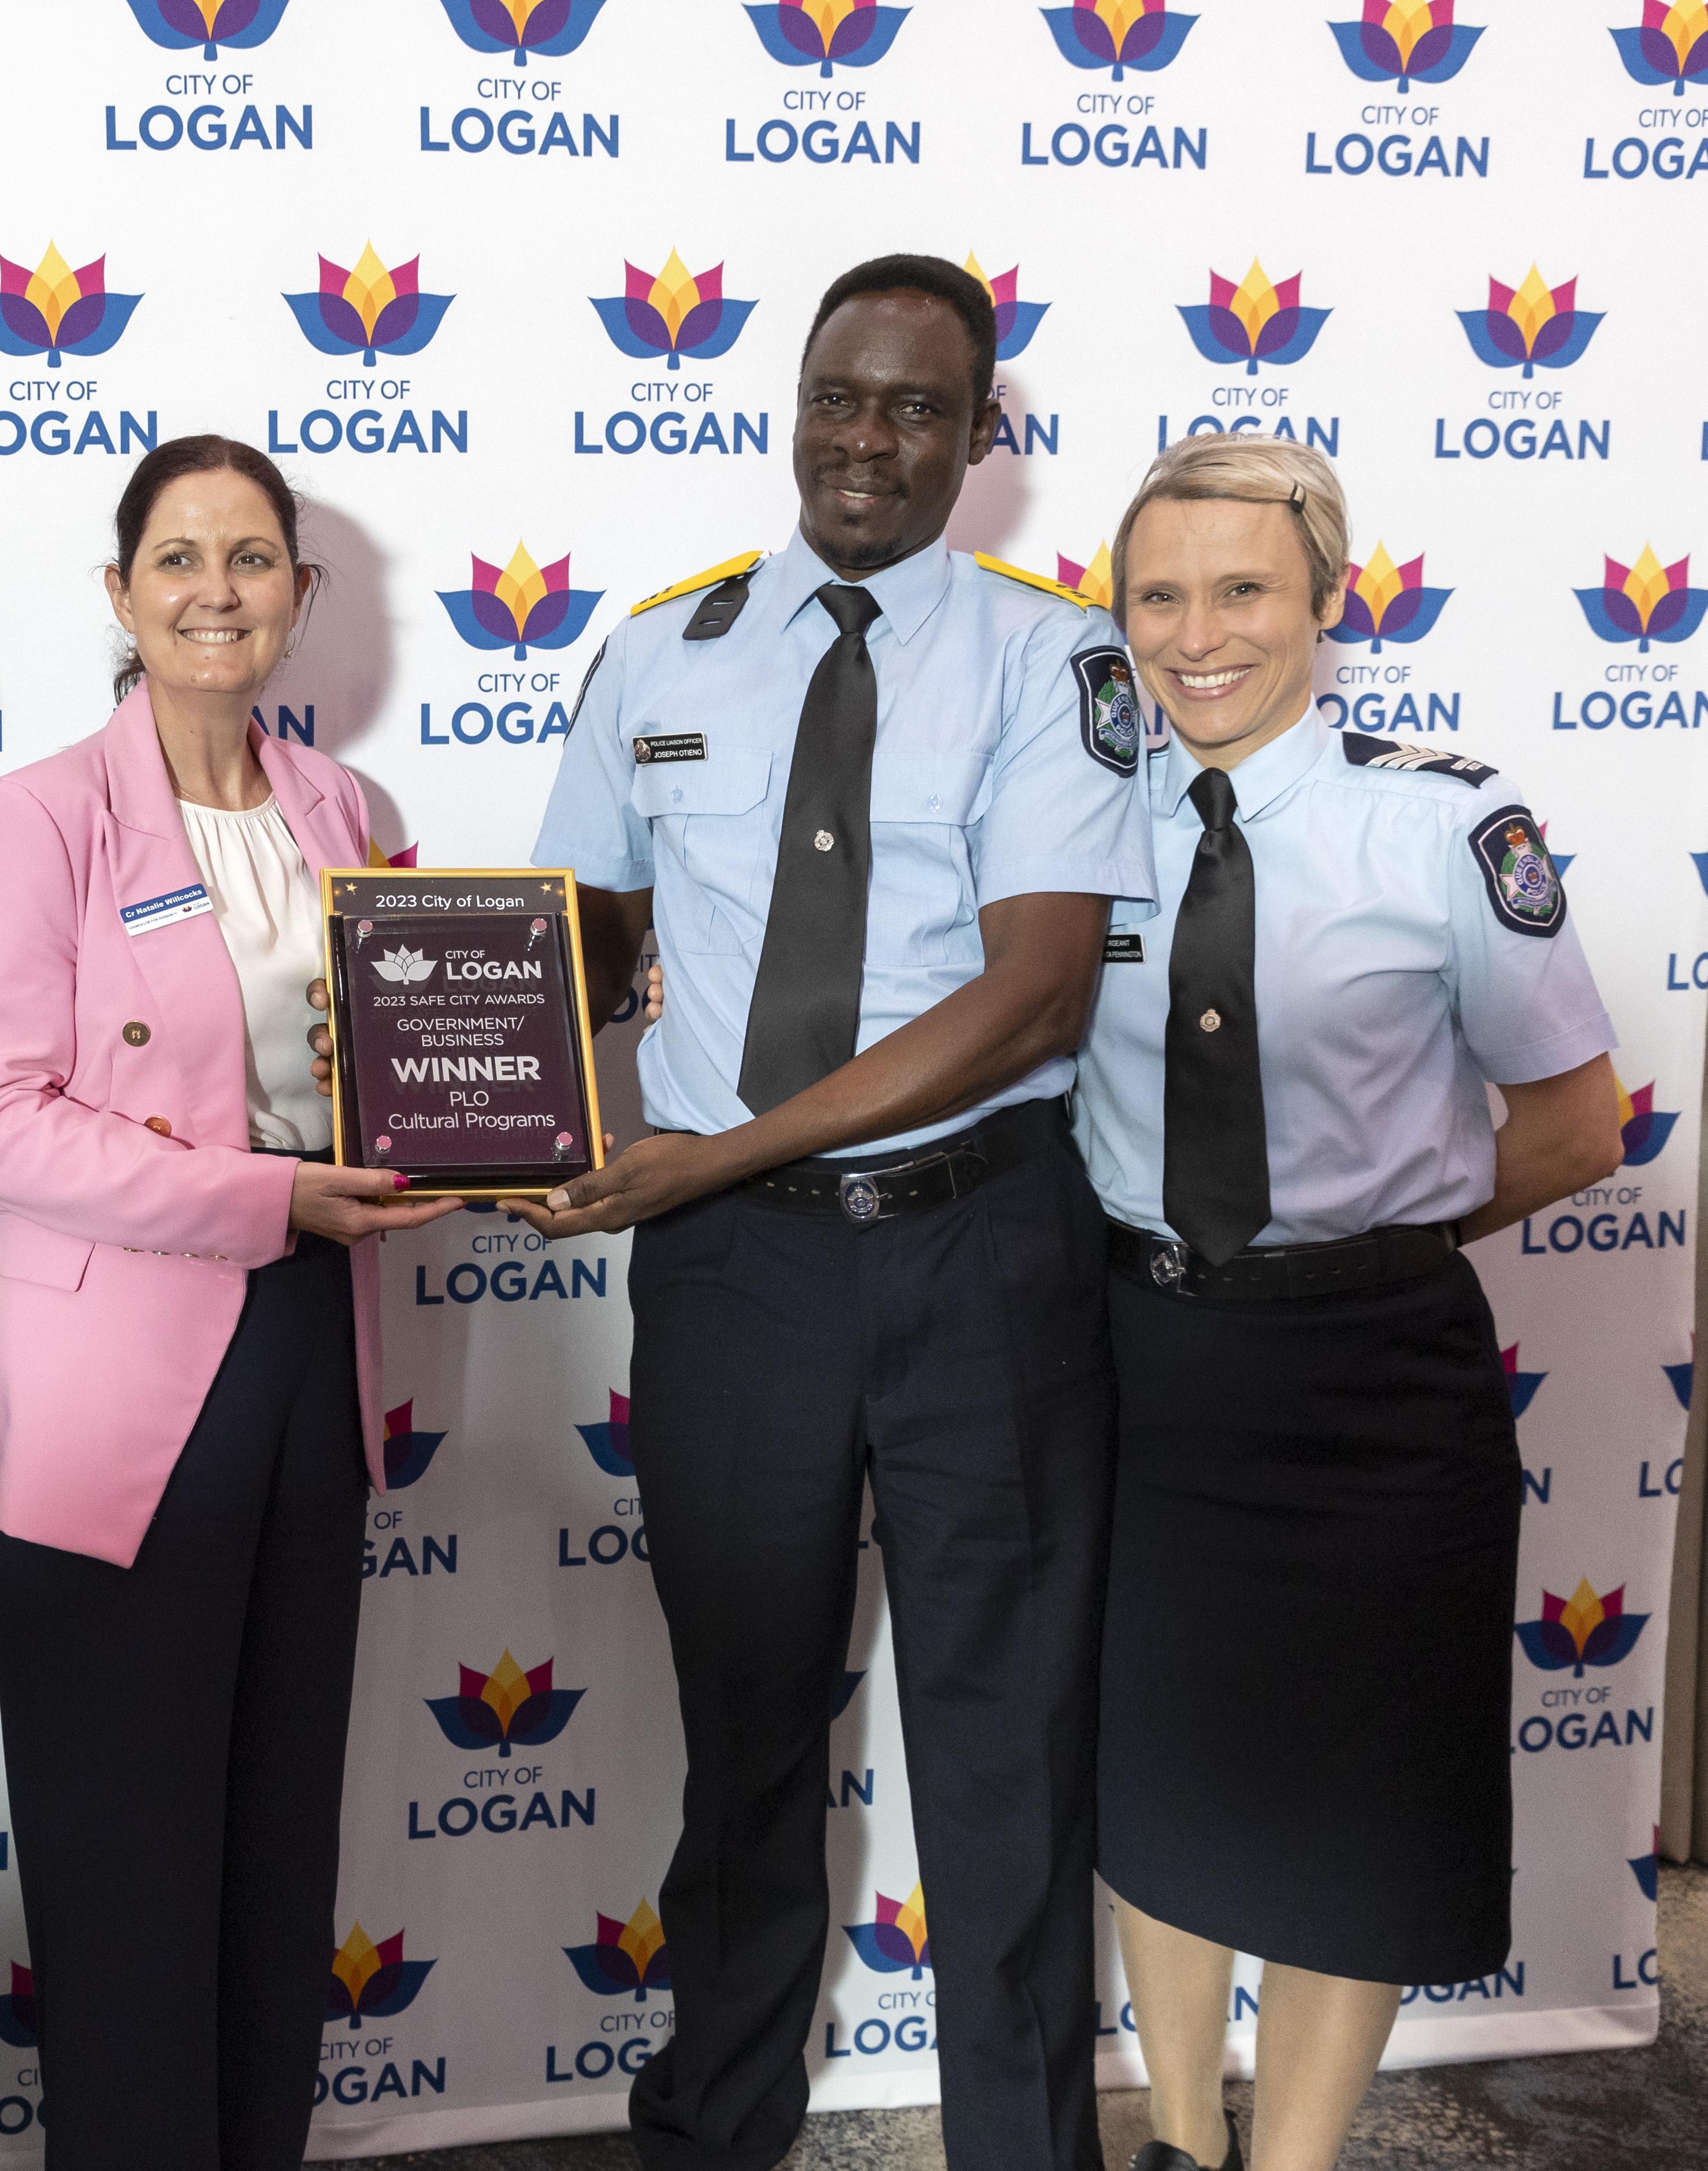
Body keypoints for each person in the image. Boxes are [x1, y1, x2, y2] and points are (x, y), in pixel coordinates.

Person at [508, 256, 1157, 2171]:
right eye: (839, 397)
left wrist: (705, 1152)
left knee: (1003, 1751)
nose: (867, 441)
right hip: (738, 1285)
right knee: (743, 1734)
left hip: (982, 1254)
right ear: (788, 403)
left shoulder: (1059, 661)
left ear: (975, 439)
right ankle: (714, 2125)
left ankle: (1020, 2150)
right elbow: (581, 944)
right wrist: (441, 1048)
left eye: (916, 410)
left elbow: (1036, 991)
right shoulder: (657, 652)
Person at [1079, 438, 1622, 2171]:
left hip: (1377, 1386)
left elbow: (1576, 1126)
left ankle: (1292, 2162)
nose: (1195, 635)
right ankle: (1174, 2140)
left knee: (1354, 1801)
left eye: (1240, 589)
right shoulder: (1065, 826)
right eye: (1155, 596)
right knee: (1155, 1778)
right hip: (1141, 1364)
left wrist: (1363, 1244)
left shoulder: (1447, 820)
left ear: (1329, 597)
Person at [0, 435, 458, 2170]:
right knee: (131, 1854)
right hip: (122, 1381)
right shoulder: (39, 817)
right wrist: (265, 1196)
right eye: (178, 559)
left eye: (251, 561)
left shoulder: (348, 816)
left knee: (272, 1833)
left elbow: (391, 1076)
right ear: (119, 594)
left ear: (300, 600)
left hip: (316, 1346)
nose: (214, 592)